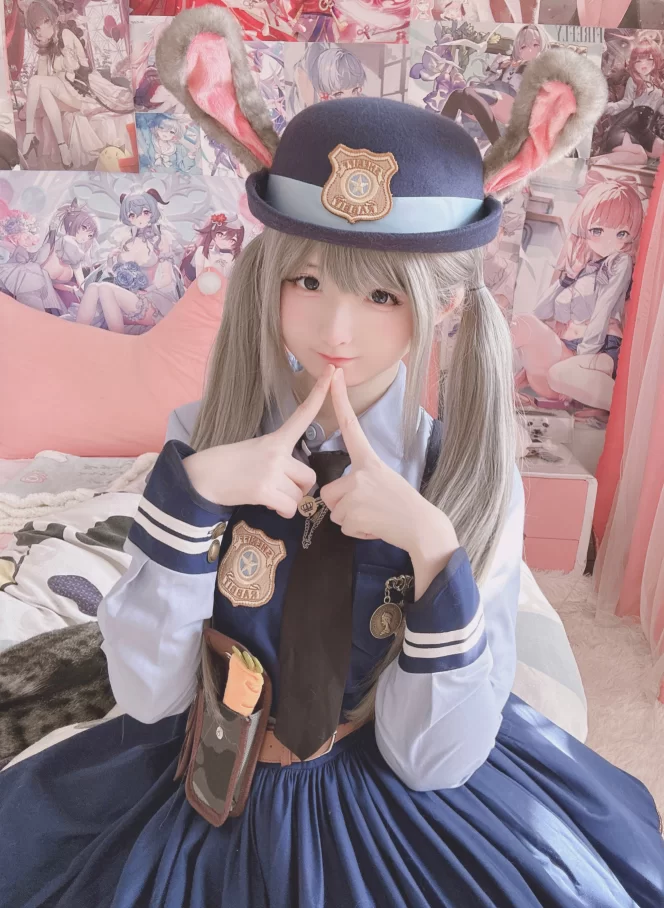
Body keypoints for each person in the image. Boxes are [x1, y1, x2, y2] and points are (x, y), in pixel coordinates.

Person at [1, 9, 663, 907]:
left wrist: (433, 551)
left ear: (440, 306)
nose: (335, 328)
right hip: (207, 768)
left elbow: (433, 761)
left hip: (393, 787)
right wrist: (189, 504)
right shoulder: (200, 438)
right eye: (306, 280)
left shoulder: (469, 482)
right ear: (269, 280)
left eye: (383, 296)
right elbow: (149, 697)